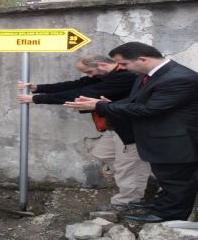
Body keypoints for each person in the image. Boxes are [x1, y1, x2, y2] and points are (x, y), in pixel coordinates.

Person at [65, 42, 198, 223]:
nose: (122, 68)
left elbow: (149, 109)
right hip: (160, 139)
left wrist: (101, 106)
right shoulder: (148, 75)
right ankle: (161, 206)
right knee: (166, 178)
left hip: (176, 141)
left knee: (177, 181)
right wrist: (110, 103)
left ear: (142, 59)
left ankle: (169, 215)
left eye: (125, 64)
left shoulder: (179, 77)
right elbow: (135, 100)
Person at [17, 54, 151, 211]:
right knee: (103, 153)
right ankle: (138, 178)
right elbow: (75, 85)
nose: (89, 76)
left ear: (102, 65)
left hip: (130, 128)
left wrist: (36, 99)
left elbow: (82, 94)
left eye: (89, 72)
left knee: (128, 166)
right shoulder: (105, 75)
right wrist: (39, 88)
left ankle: (127, 202)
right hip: (115, 126)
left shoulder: (125, 77)